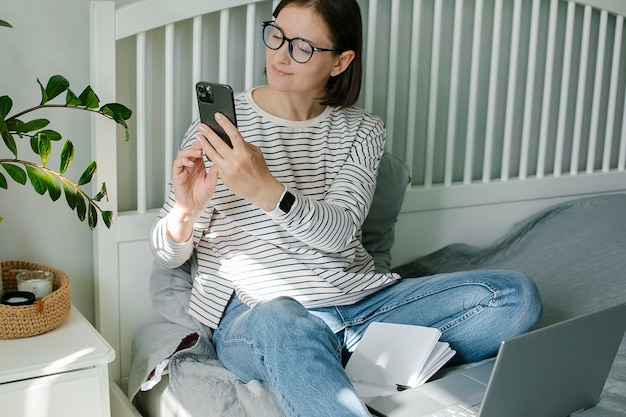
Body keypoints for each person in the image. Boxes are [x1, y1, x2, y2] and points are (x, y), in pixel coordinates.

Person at [149, 0, 543, 416]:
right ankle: (320, 358)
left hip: (358, 304)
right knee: (284, 317)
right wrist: (184, 214)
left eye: (302, 47)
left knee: (514, 295)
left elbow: (339, 235)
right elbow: (166, 252)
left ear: (341, 62)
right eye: (276, 35)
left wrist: (266, 189)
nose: (280, 54)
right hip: (259, 316)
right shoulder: (217, 128)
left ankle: (330, 358)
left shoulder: (362, 130)